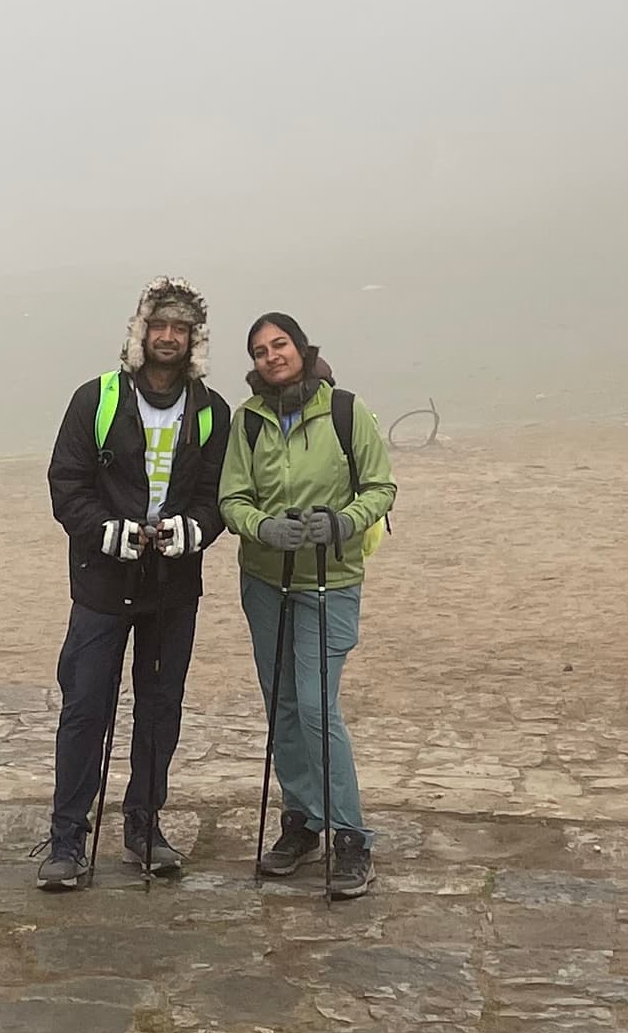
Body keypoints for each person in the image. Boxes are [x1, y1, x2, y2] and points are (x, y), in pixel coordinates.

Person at [38, 279, 233, 891]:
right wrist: (106, 531)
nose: (168, 337)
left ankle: (144, 830)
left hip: (172, 586)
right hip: (101, 585)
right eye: (159, 325)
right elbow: (66, 482)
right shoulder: (95, 399)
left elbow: (218, 495)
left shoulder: (212, 411)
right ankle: (67, 841)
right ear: (140, 332)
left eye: (181, 328)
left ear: (195, 339)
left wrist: (192, 531)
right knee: (85, 709)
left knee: (160, 710)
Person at [224, 310, 395, 899]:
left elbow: (381, 487)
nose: (272, 356)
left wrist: (343, 521)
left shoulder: (346, 411)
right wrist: (264, 528)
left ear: (302, 348)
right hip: (265, 580)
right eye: (260, 350)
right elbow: (232, 498)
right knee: (284, 708)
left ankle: (352, 836)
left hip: (331, 578)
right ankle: (302, 821)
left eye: (280, 344)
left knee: (318, 706)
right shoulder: (248, 420)